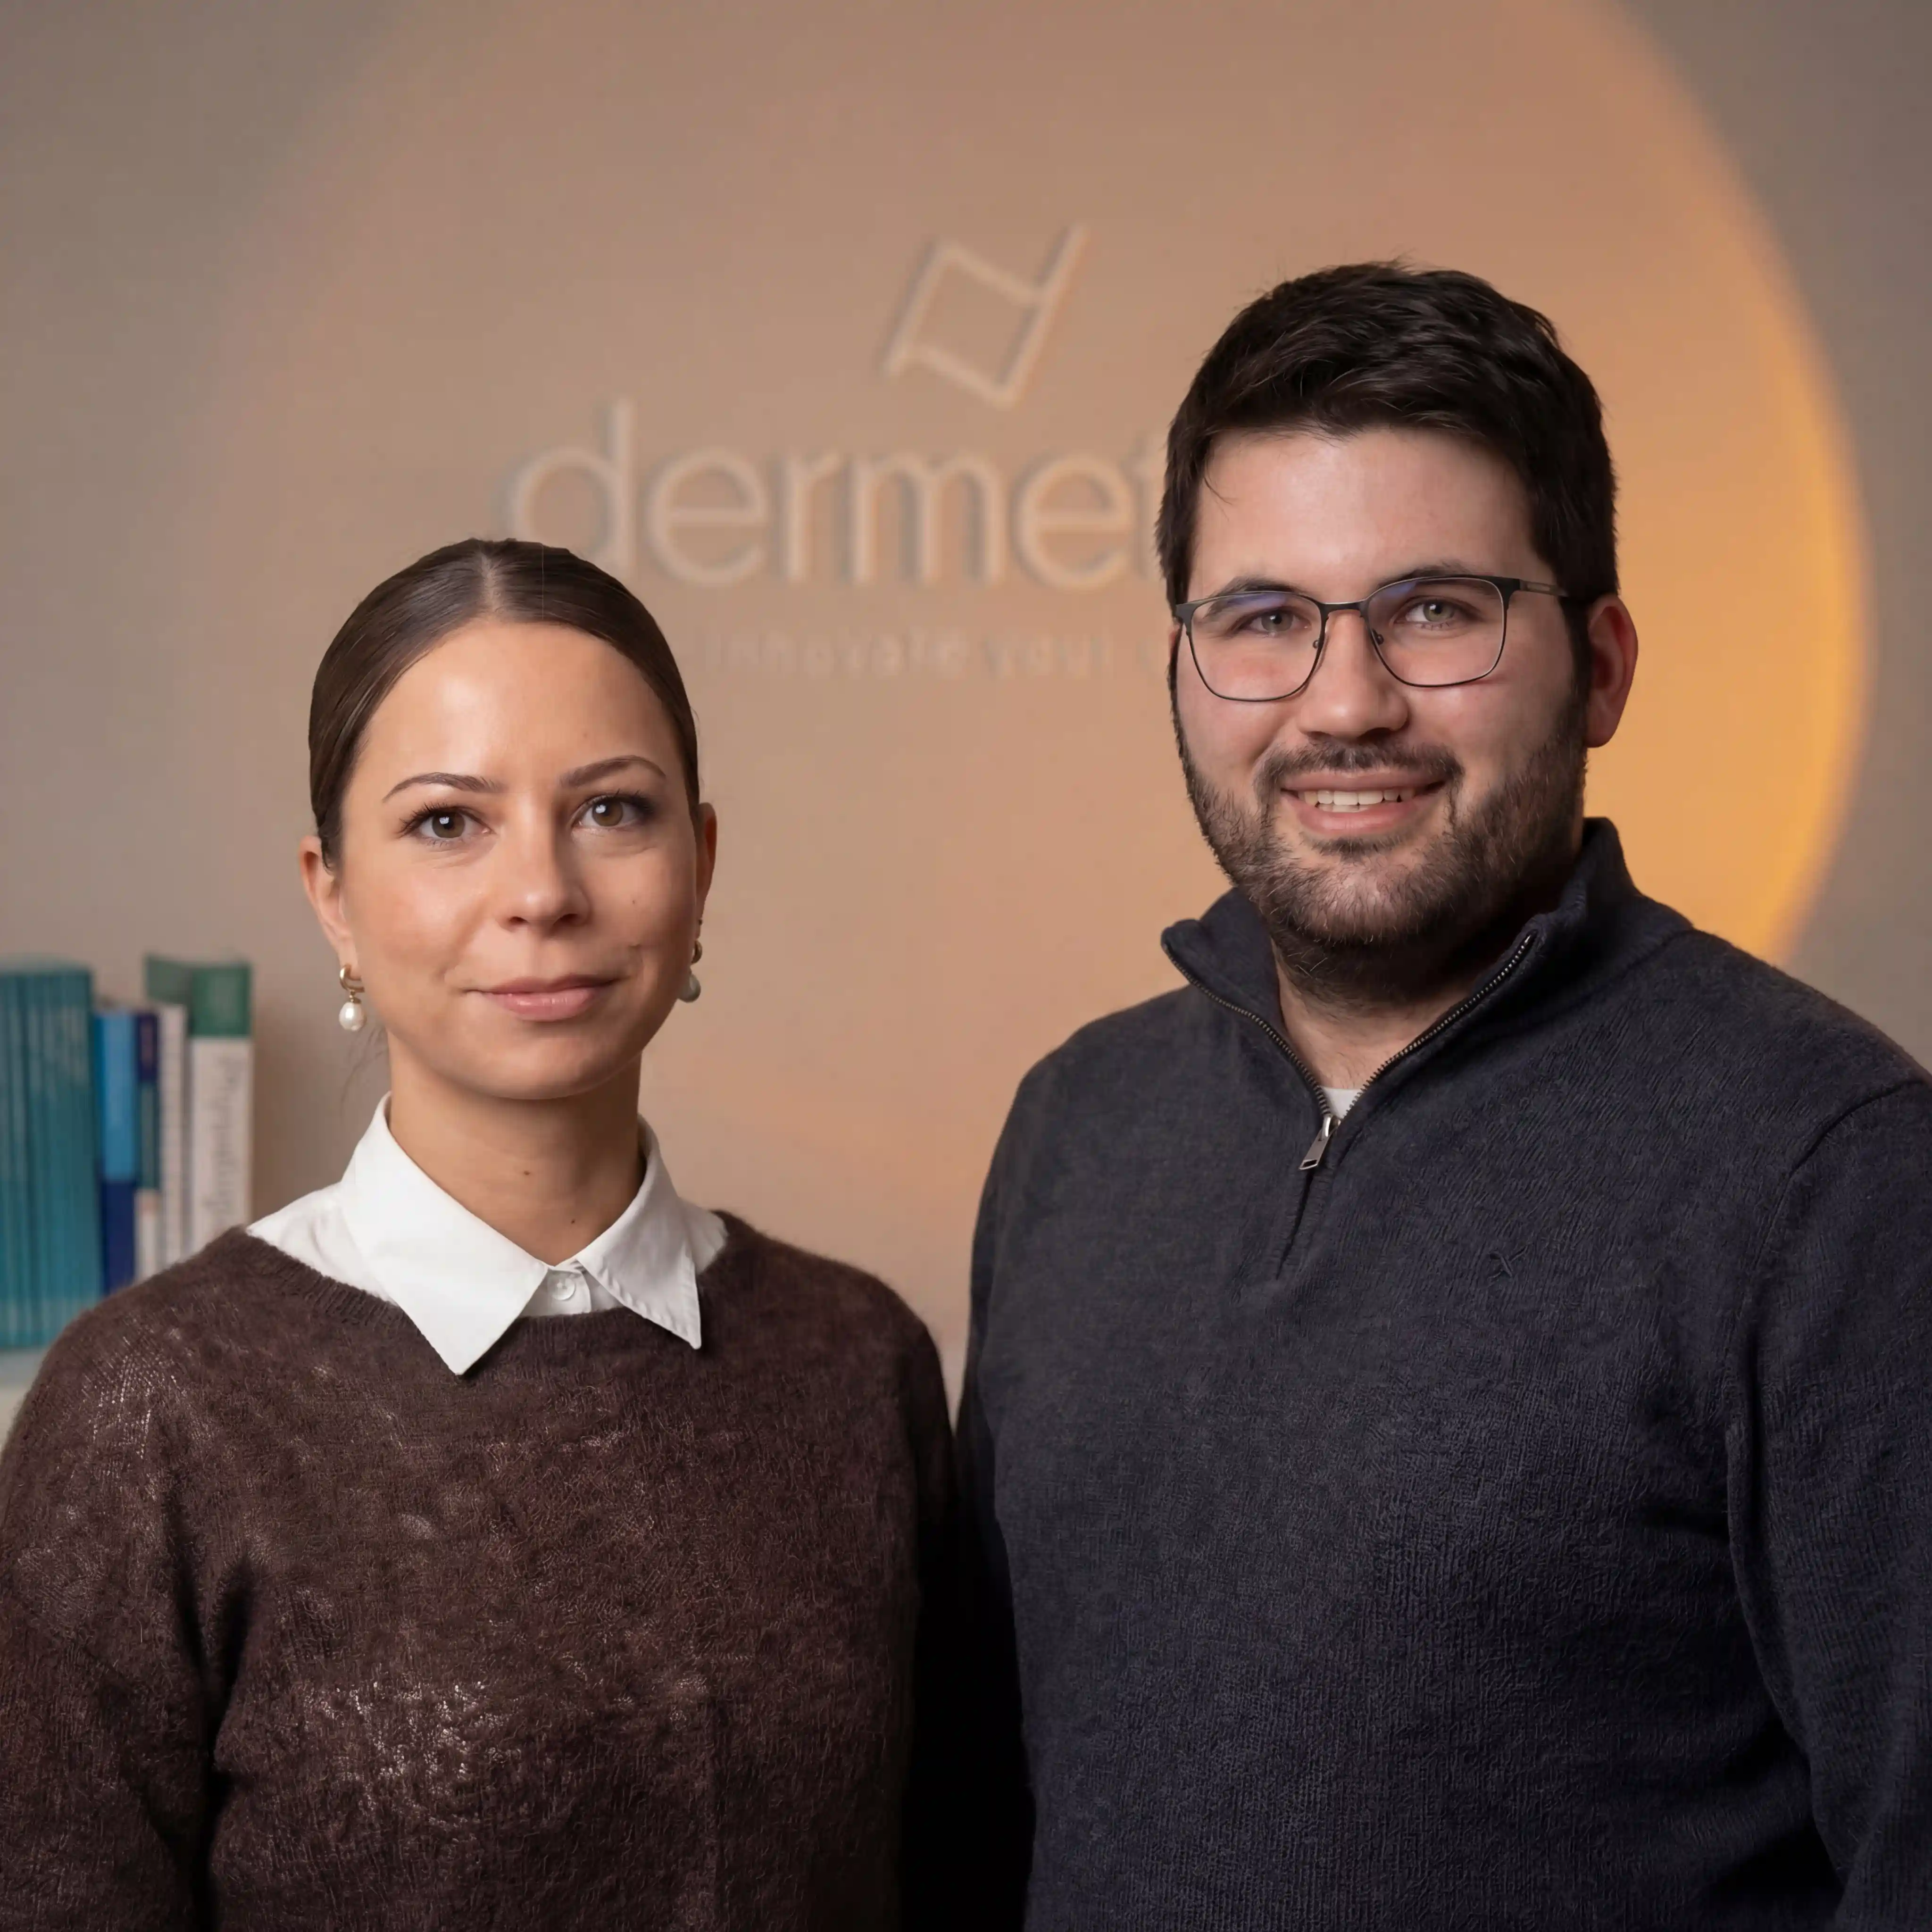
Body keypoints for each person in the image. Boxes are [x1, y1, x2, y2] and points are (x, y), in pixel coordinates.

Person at [958, 265, 1932, 1927]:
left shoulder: (1833, 1179)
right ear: (1185, 669)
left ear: (1603, 666)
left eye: (1435, 609)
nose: (1346, 704)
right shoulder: (1078, 1125)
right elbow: (984, 1812)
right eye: (1263, 619)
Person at [0, 539, 956, 1929]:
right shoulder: (148, 1411)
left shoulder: (859, 1359)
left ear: (701, 861)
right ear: (332, 892)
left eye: (613, 812)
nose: (542, 893)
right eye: (449, 822)